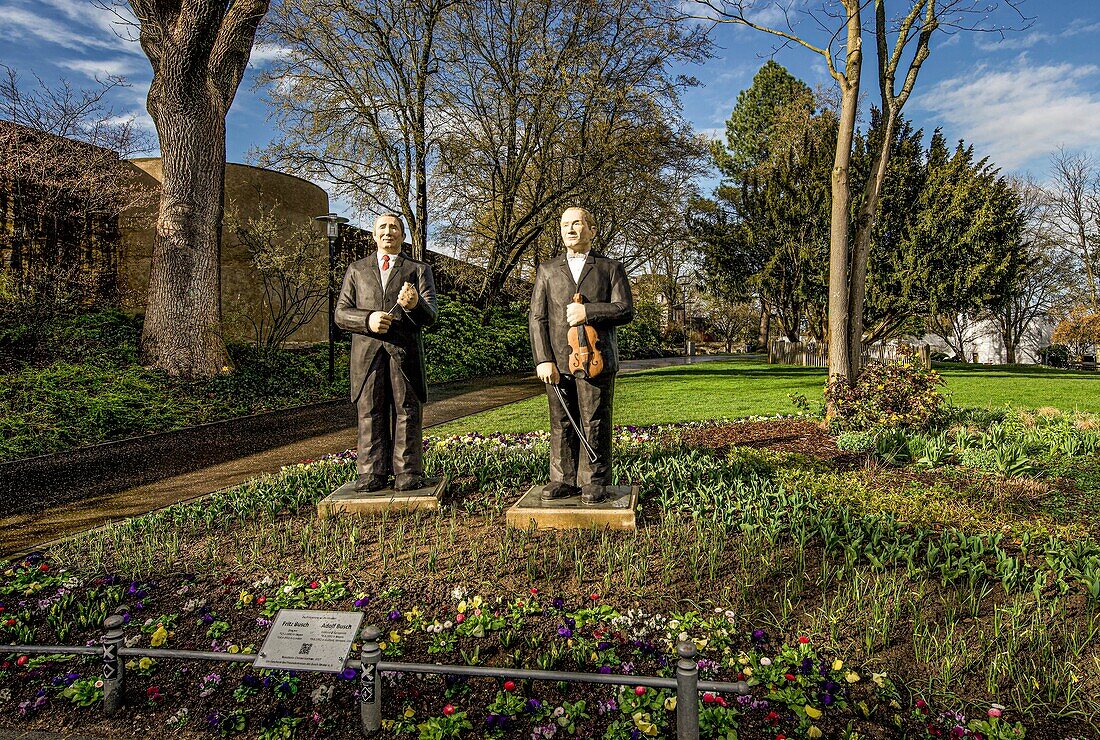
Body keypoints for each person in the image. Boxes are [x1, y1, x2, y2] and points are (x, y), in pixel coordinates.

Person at [528, 206, 634, 504]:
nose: (571, 230)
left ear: (592, 229)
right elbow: (537, 319)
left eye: (577, 224)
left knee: (595, 419)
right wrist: (543, 359)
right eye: (565, 225)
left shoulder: (610, 267)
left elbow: (624, 309)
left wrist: (589, 311)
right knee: (560, 421)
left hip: (597, 360)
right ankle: (562, 478)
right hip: (559, 361)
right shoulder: (547, 270)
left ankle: (595, 480)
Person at [335, 213, 438, 492]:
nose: (388, 232)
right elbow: (341, 314)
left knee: (406, 410)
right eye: (382, 227)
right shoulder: (356, 270)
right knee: (369, 410)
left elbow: (431, 317)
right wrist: (367, 320)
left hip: (404, 353)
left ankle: (407, 472)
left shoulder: (418, 269)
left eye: (394, 227)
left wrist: (414, 304)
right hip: (367, 356)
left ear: (402, 236)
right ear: (374, 235)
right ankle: (371, 473)